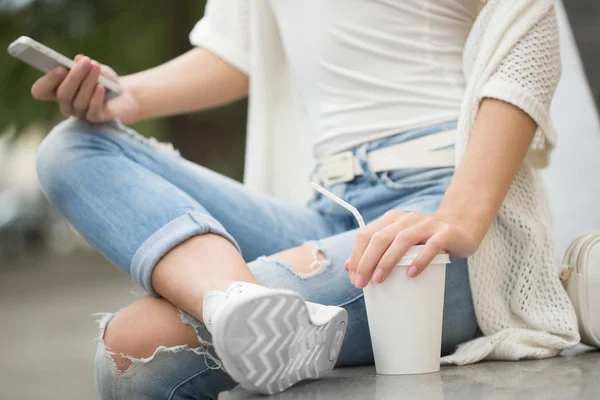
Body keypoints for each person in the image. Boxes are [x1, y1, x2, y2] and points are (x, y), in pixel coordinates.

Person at [31, 0, 593, 399]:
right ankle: (232, 300)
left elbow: (529, 19)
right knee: (72, 147)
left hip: (435, 206)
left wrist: (463, 214)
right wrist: (122, 98)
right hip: (331, 207)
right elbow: (235, 52)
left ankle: (237, 304)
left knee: (135, 350)